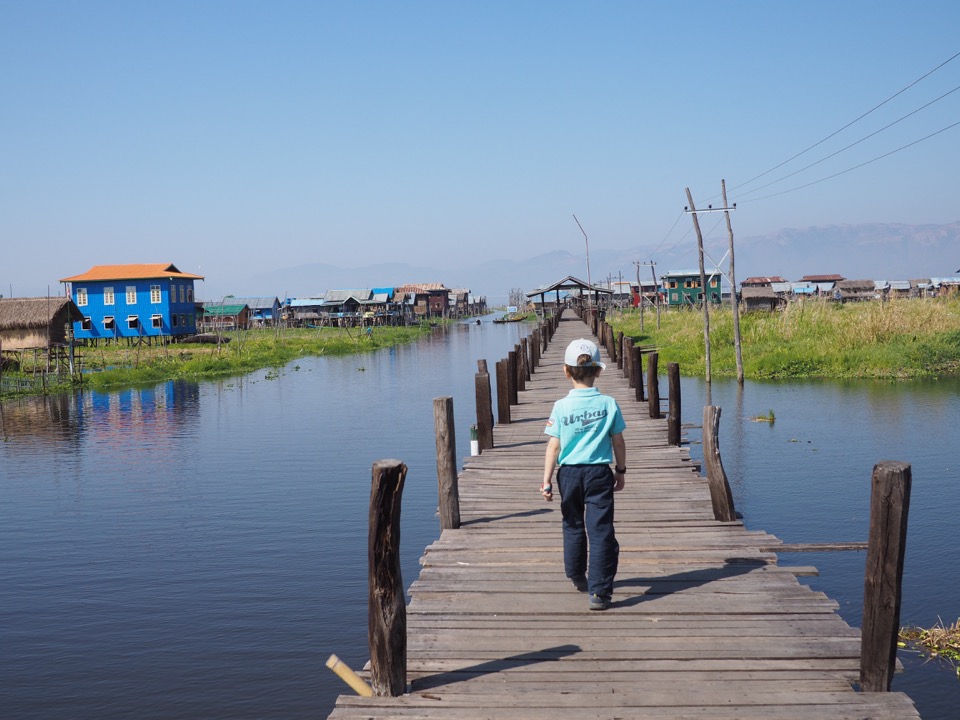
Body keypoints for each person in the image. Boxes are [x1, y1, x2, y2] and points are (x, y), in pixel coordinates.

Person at [541, 338, 626, 611]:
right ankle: (599, 593)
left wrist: (545, 482)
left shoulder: (561, 406)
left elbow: (553, 447)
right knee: (600, 531)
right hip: (600, 473)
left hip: (568, 475)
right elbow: (618, 441)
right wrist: (620, 471)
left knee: (573, 524)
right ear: (598, 370)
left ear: (566, 371)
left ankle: (577, 574)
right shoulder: (609, 404)